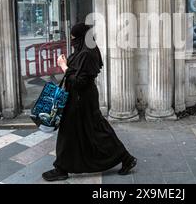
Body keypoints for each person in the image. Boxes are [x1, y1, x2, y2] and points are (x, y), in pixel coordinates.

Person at [42, 22, 137, 181]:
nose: (72, 41)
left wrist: (64, 66)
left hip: (81, 100)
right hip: (80, 98)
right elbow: (78, 71)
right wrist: (67, 62)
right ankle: (125, 158)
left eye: (73, 38)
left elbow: (79, 81)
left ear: (80, 38)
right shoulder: (85, 50)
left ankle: (62, 169)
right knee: (91, 131)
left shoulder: (87, 53)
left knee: (80, 131)